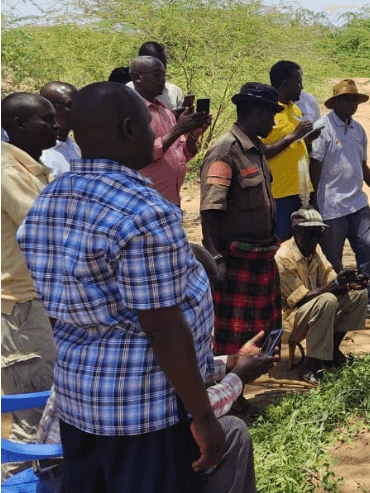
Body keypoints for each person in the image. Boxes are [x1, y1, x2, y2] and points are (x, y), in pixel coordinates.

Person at [16, 81, 225, 492]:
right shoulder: (144, 211)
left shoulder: (51, 196)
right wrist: (203, 417)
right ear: (130, 129)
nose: (154, 134)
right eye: (149, 126)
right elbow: (162, 328)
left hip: (79, 400)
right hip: (143, 411)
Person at [34, 244, 277, 493]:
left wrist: (230, 362)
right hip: (75, 471)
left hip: (79, 457)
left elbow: (179, 375)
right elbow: (189, 407)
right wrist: (238, 377)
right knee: (231, 433)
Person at [200, 82, 283, 356]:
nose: (274, 122)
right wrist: (216, 259)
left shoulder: (256, 150)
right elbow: (211, 209)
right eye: (271, 115)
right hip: (236, 261)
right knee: (232, 342)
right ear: (257, 112)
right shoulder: (225, 152)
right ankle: (229, 396)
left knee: (258, 334)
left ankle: (240, 393)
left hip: (261, 257)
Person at [1, 92, 59, 480]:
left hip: (36, 302)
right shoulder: (7, 172)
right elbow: (47, 226)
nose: (56, 126)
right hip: (19, 309)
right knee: (31, 418)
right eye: (47, 119)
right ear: (19, 126)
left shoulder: (32, 168)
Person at [310, 78, 370, 322]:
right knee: (332, 259)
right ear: (335, 102)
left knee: (367, 252)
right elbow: (315, 166)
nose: (351, 104)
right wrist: (313, 203)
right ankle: (337, 302)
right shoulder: (322, 127)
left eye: (354, 100)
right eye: (346, 99)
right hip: (331, 206)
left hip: (358, 203)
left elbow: (362, 166)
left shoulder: (359, 130)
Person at [276, 207, 369, 384]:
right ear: (296, 232)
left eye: (319, 234)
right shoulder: (283, 257)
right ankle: (310, 365)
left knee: (359, 294)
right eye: (310, 234)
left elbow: (330, 276)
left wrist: (350, 283)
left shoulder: (314, 248)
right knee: (327, 299)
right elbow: (301, 298)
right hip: (290, 318)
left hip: (316, 306)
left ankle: (331, 352)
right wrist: (335, 285)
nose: (315, 239)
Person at [130, 55, 210, 205]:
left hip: (172, 202)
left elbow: (182, 154)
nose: (162, 80)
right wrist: (179, 129)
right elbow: (143, 155)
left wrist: (193, 135)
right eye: (156, 75)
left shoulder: (165, 112)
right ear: (137, 77)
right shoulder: (132, 112)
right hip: (147, 205)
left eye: (164, 75)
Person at [260, 60, 317, 241]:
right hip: (279, 195)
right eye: (298, 81)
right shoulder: (266, 112)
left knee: (303, 248)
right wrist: (293, 136)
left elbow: (293, 144)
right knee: (281, 249)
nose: (301, 87)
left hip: (302, 192)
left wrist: (305, 141)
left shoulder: (296, 109)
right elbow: (259, 152)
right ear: (285, 82)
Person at [38, 81, 81, 179]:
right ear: (50, 106)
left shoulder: (76, 149)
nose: (78, 109)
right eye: (71, 105)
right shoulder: (42, 154)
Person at [133, 41, 185, 112]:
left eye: (163, 73)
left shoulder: (174, 92)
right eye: (156, 74)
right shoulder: (127, 93)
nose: (162, 79)